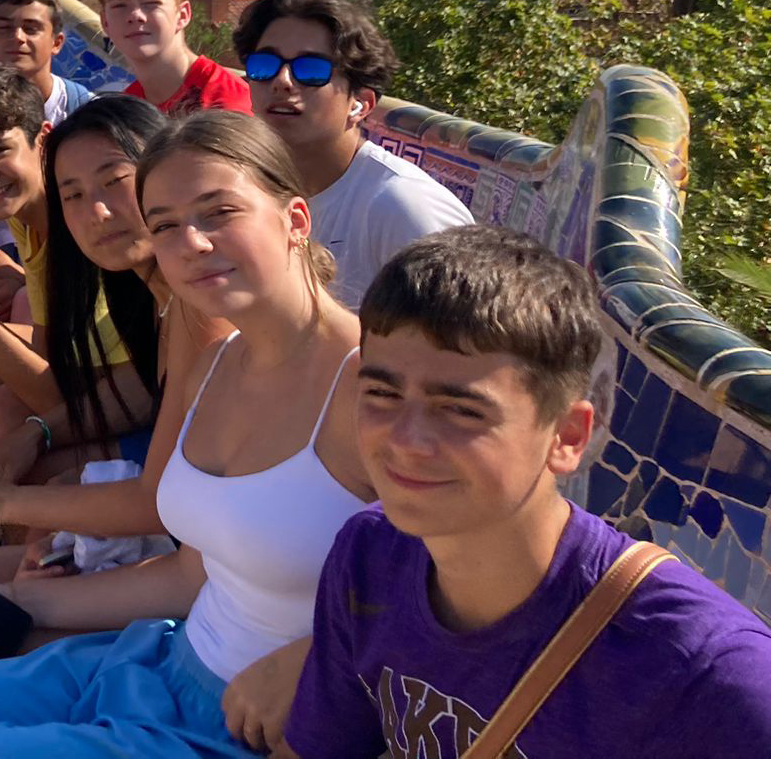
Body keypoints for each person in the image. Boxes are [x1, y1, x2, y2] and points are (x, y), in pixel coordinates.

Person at [0, 109, 376, 758]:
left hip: (237, 723)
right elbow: (189, 577)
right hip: (168, 665)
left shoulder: (373, 388)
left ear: (295, 220)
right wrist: (16, 601)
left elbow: (490, 584)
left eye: (218, 214)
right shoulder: (214, 360)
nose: (193, 244)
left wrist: (315, 655)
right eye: (169, 226)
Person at [287, 227, 771, 757]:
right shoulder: (370, 555)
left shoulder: (709, 671)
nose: (405, 440)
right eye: (382, 393)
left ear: (567, 437)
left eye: (460, 409)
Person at [0, 68, 154, 535]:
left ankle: (8, 523)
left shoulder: (84, 225)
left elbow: (58, 395)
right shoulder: (27, 214)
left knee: (4, 413)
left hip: (146, 412)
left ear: (43, 140)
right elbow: (51, 355)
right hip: (119, 385)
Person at [234, 0, 471, 308]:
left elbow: (472, 344)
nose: (283, 81)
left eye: (311, 70)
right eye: (265, 64)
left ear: (360, 104)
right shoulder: (250, 191)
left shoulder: (401, 207)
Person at [0, 0, 97, 253]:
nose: (17, 37)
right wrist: (3, 270)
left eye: (31, 28)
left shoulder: (86, 115)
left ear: (57, 42)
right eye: (5, 28)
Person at [88, 0, 251, 115]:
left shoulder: (227, 102)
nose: (135, 15)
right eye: (120, 5)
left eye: (150, 3)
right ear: (105, 22)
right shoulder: (126, 112)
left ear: (183, 15)